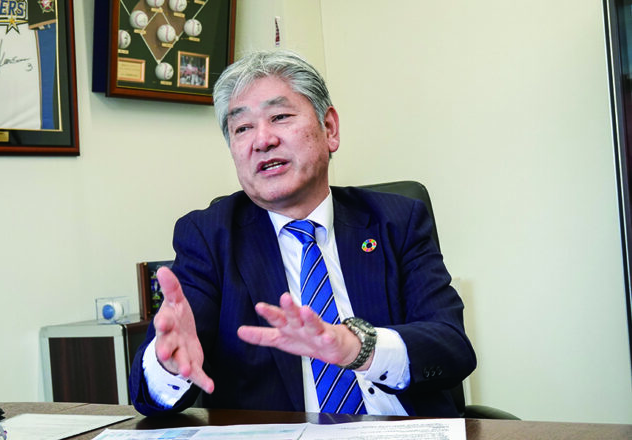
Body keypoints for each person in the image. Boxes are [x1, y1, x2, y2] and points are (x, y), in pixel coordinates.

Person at [129, 50, 476, 417]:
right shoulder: (209, 237)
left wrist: (356, 348)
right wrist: (168, 366)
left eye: (280, 117)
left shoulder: (397, 221)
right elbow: (148, 395)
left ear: (330, 129)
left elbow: (452, 348)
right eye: (242, 128)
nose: (262, 140)